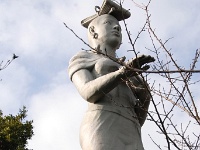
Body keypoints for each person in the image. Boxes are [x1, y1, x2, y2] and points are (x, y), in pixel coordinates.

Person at [68, 0, 155, 149]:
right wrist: (123, 73)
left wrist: (145, 94)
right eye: (108, 23)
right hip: (102, 123)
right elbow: (88, 92)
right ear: (93, 30)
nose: (116, 27)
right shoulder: (83, 57)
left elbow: (139, 117)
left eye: (120, 28)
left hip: (132, 128)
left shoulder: (128, 67)